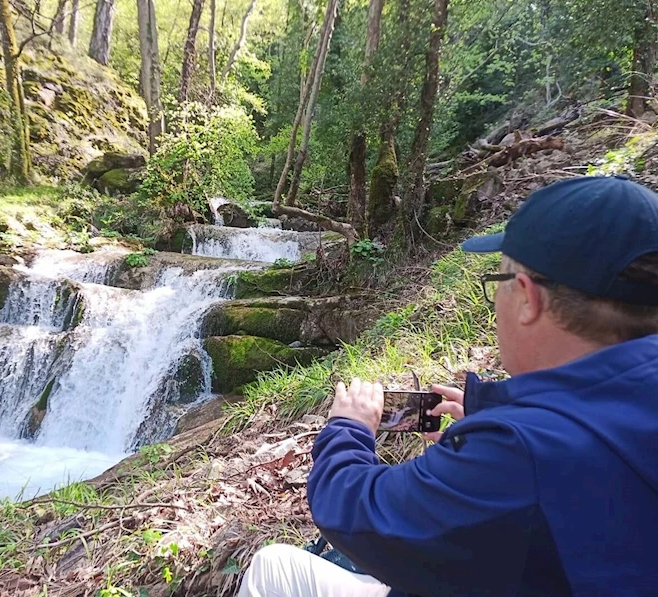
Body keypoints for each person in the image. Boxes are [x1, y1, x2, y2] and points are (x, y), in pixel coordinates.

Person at [237, 175, 658, 597]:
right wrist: (492, 416)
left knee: (273, 568)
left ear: (528, 298)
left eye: (499, 283)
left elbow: (356, 513)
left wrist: (348, 427)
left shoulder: (519, 456)